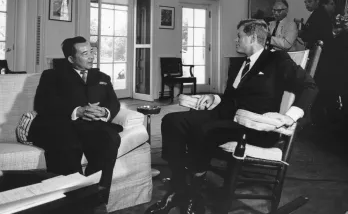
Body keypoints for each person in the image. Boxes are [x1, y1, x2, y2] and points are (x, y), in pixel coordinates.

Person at [145, 19, 318, 214]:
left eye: (239, 36)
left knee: (204, 130)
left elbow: (309, 86)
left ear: (252, 37)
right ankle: (178, 189)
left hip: (254, 125)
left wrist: (291, 116)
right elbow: (230, 98)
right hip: (226, 117)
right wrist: (212, 97)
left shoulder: (276, 60)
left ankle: (194, 195)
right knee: (172, 121)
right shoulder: (238, 65)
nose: (236, 40)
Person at [28, 36, 122, 214]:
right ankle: (71, 205)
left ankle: (97, 201)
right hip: (63, 124)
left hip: (92, 126)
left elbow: (114, 103)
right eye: (85, 53)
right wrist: (77, 110)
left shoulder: (102, 77)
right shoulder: (52, 76)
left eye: (92, 51)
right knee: (68, 147)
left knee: (110, 139)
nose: (91, 57)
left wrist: (104, 112)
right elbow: (42, 104)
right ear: (71, 59)